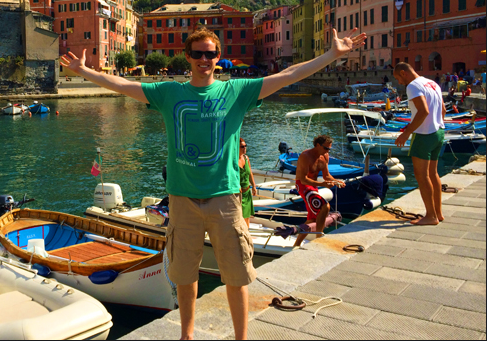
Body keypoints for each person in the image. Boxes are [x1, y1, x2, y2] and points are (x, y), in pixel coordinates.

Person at [60, 27, 365, 340]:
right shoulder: (169, 93)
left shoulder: (236, 91)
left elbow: (289, 74)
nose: (204, 59)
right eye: (197, 54)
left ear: (218, 58)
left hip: (225, 199)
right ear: (188, 57)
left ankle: (241, 338)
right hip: (182, 199)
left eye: (210, 54)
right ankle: (187, 335)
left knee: (236, 275)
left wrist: (332, 55)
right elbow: (123, 84)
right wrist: (85, 71)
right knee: (184, 275)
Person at [393, 62, 446, 226]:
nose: (399, 83)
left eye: (398, 78)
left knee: (422, 176)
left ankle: (430, 216)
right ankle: (438, 213)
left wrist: (406, 133)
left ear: (403, 73)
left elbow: (423, 111)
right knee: (433, 174)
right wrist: (435, 124)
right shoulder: (432, 83)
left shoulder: (413, 86)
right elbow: (443, 110)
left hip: (423, 135)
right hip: (439, 132)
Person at [293, 135, 345, 248]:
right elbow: (303, 179)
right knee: (324, 206)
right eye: (326, 148)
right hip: (303, 185)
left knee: (312, 219)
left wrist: (336, 181)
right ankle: (319, 237)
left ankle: (296, 244)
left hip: (313, 187)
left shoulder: (325, 156)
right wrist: (322, 185)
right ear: (317, 145)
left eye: (329, 149)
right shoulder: (305, 156)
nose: (328, 151)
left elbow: (326, 176)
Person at [238, 138, 257, 228]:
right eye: (242, 146)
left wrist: (254, 186)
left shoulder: (246, 158)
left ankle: (247, 234)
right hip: (238, 194)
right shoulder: (234, 161)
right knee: (240, 216)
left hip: (247, 192)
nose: (244, 148)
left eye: (245, 146)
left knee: (247, 216)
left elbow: (250, 174)